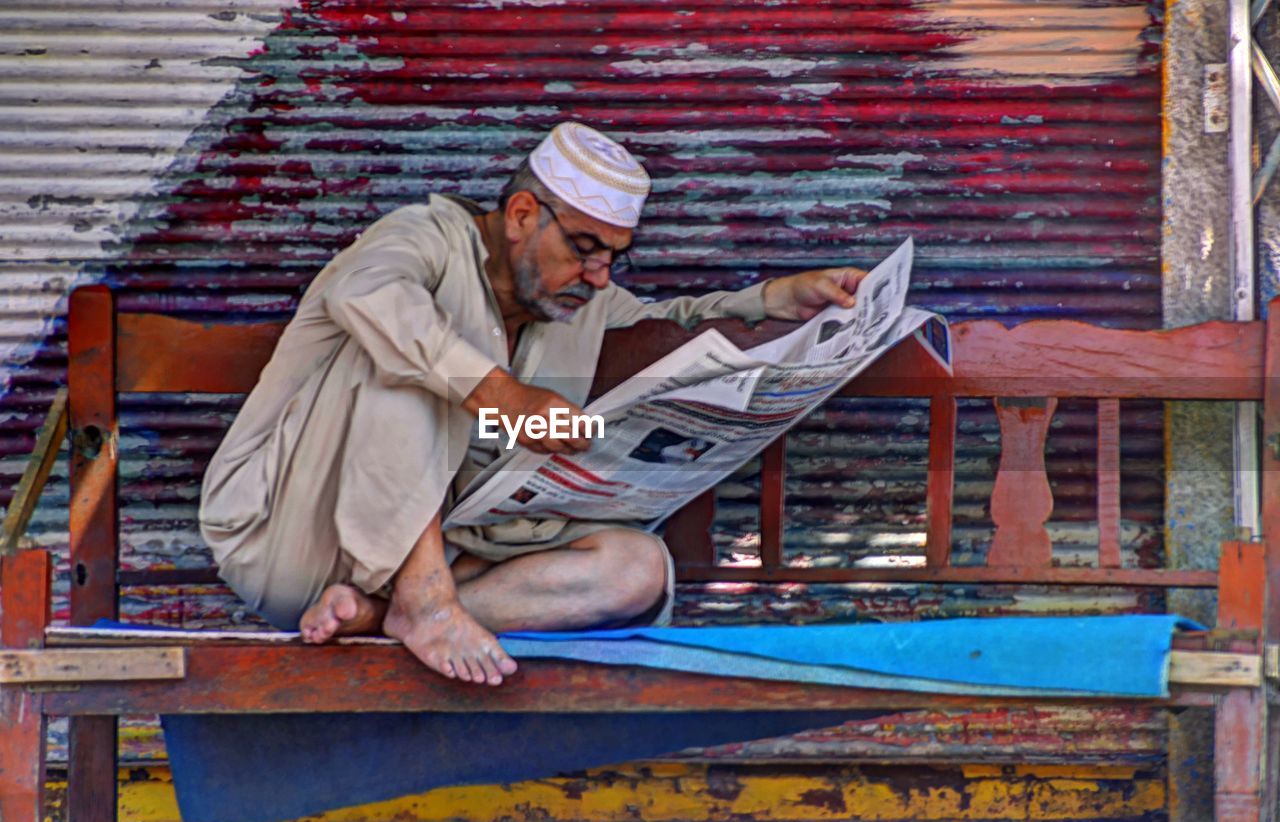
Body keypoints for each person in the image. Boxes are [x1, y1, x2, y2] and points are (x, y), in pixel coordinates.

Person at [199, 122, 864, 686]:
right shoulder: (422, 237)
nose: (600, 274)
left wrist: (777, 300)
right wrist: (503, 394)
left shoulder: (576, 301)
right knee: (408, 349)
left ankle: (387, 614)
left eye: (613, 257)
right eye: (584, 249)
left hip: (446, 552)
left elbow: (671, 322)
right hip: (292, 533)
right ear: (521, 215)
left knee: (638, 569)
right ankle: (422, 601)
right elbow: (367, 295)